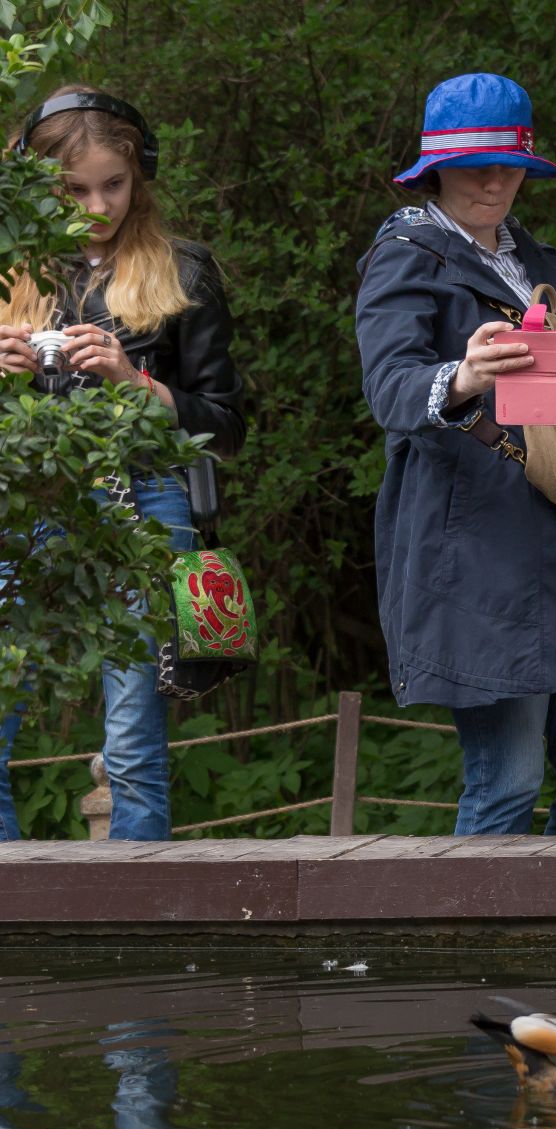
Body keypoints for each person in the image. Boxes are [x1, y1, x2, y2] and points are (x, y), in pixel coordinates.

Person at [354, 73, 556, 836]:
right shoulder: (406, 256)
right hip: (481, 559)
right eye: (474, 163)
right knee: (506, 782)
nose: (494, 180)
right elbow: (390, 391)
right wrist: (460, 375)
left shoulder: (545, 265)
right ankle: (470, 957)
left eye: (508, 163)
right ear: (435, 167)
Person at [0, 86, 245, 841]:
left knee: (134, 740)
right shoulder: (10, 273)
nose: (97, 203)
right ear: (39, 185)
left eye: (114, 183)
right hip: (21, 503)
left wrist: (135, 383)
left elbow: (227, 426)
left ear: (141, 176)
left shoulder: (183, 270)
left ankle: (143, 919)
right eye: (74, 189)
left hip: (143, 499)